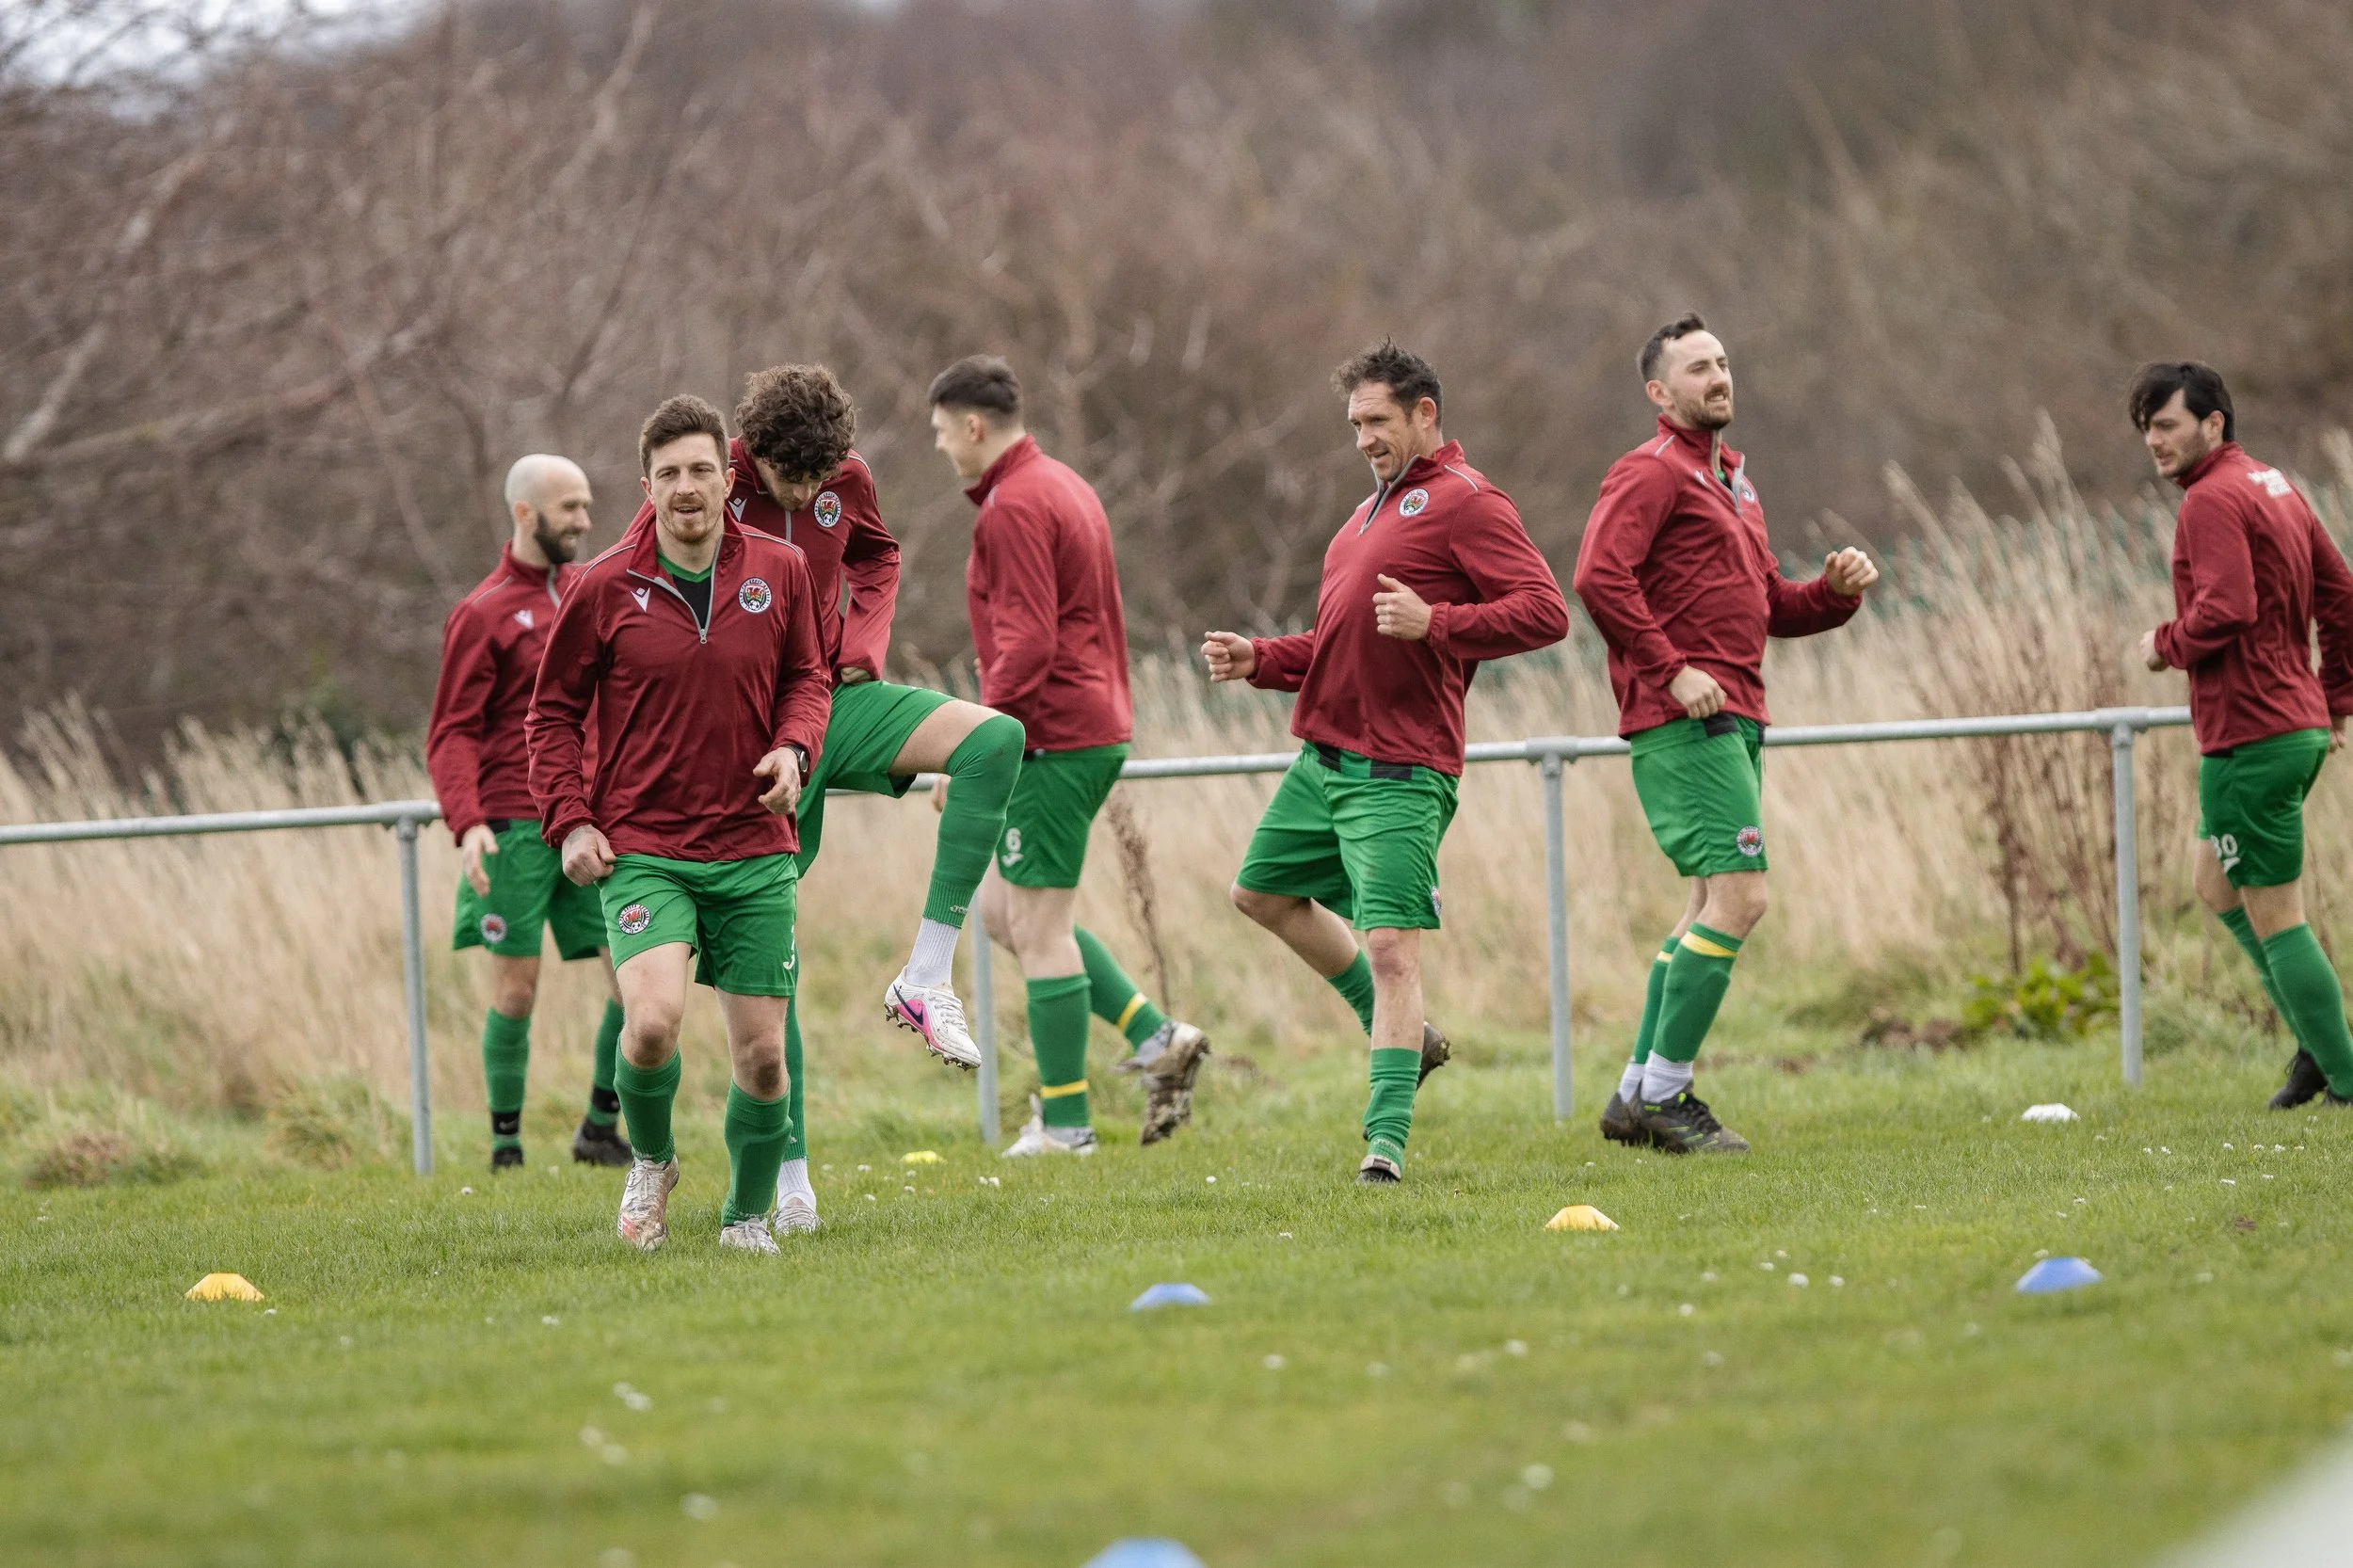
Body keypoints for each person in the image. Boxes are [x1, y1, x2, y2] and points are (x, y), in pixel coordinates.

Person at [622, 364, 1027, 1233]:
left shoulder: (847, 475)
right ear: (752, 458)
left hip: (834, 702)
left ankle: (925, 973)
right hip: (747, 736)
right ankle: (791, 1176)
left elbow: (878, 554)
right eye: (788, 483)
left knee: (996, 739)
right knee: (777, 961)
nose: (808, 495)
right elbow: (633, 588)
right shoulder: (708, 482)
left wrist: (864, 642)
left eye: (821, 481)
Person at [1202, 340, 1569, 1184]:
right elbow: (1342, 648)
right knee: (1258, 892)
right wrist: (1260, 658)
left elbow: (1547, 613)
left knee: (1393, 952)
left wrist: (1438, 624)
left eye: (1377, 421)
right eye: (1354, 424)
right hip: (1321, 764)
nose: (1363, 438)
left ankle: (1385, 1147)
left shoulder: (1469, 503)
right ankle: (1411, 1036)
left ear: (1425, 414)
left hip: (1399, 771)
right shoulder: (1362, 518)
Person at [528, 395, 832, 1254]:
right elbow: (550, 715)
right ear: (646, 486)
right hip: (646, 848)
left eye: (702, 470)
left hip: (754, 849)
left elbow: (808, 679)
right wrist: (571, 822)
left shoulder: (781, 569)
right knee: (652, 1023)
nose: (687, 487)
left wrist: (795, 750)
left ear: (728, 478)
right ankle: (650, 1161)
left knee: (765, 1059)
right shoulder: (601, 588)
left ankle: (743, 1219)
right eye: (669, 474)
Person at [1572, 313, 1877, 1155]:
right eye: (1698, 368)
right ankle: (1670, 1095)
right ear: (1659, 392)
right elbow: (1598, 577)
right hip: (1685, 718)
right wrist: (1671, 669)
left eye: (1723, 362)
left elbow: (1771, 604)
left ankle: (1635, 1094)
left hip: (1738, 713)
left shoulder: (1735, 482)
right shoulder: (1649, 472)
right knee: (1743, 897)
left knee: (1707, 904)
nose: (1719, 377)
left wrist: (1836, 593)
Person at [929, 354, 1209, 1155]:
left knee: (1040, 926)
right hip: (1081, 727)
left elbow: (1027, 642)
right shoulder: (1062, 483)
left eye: (945, 435)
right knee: (999, 912)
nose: (944, 450)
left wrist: (972, 747)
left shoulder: (1014, 505)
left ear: (975, 426)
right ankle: (1155, 1037)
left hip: (1051, 735)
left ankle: (1065, 1124)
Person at [2129, 360, 2353, 1112]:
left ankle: (2345, 1076)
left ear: (2213, 423)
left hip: (2251, 734)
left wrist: (2166, 643)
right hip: (2295, 724)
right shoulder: (2275, 485)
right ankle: (2316, 1053)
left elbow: (2225, 608)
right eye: (2146, 429)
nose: (2154, 442)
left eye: (2166, 425)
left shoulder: (2210, 500)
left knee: (2275, 913)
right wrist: (2338, 699)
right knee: (2215, 883)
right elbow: (2342, 593)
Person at [426, 454, 632, 1173]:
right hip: (514, 829)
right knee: (516, 992)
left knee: (635, 983)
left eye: (586, 505)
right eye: (569, 508)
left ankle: (599, 1130)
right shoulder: (482, 614)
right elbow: (451, 730)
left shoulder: (592, 593)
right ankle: (506, 1150)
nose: (584, 520)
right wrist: (469, 821)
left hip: (590, 823)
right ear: (525, 514)